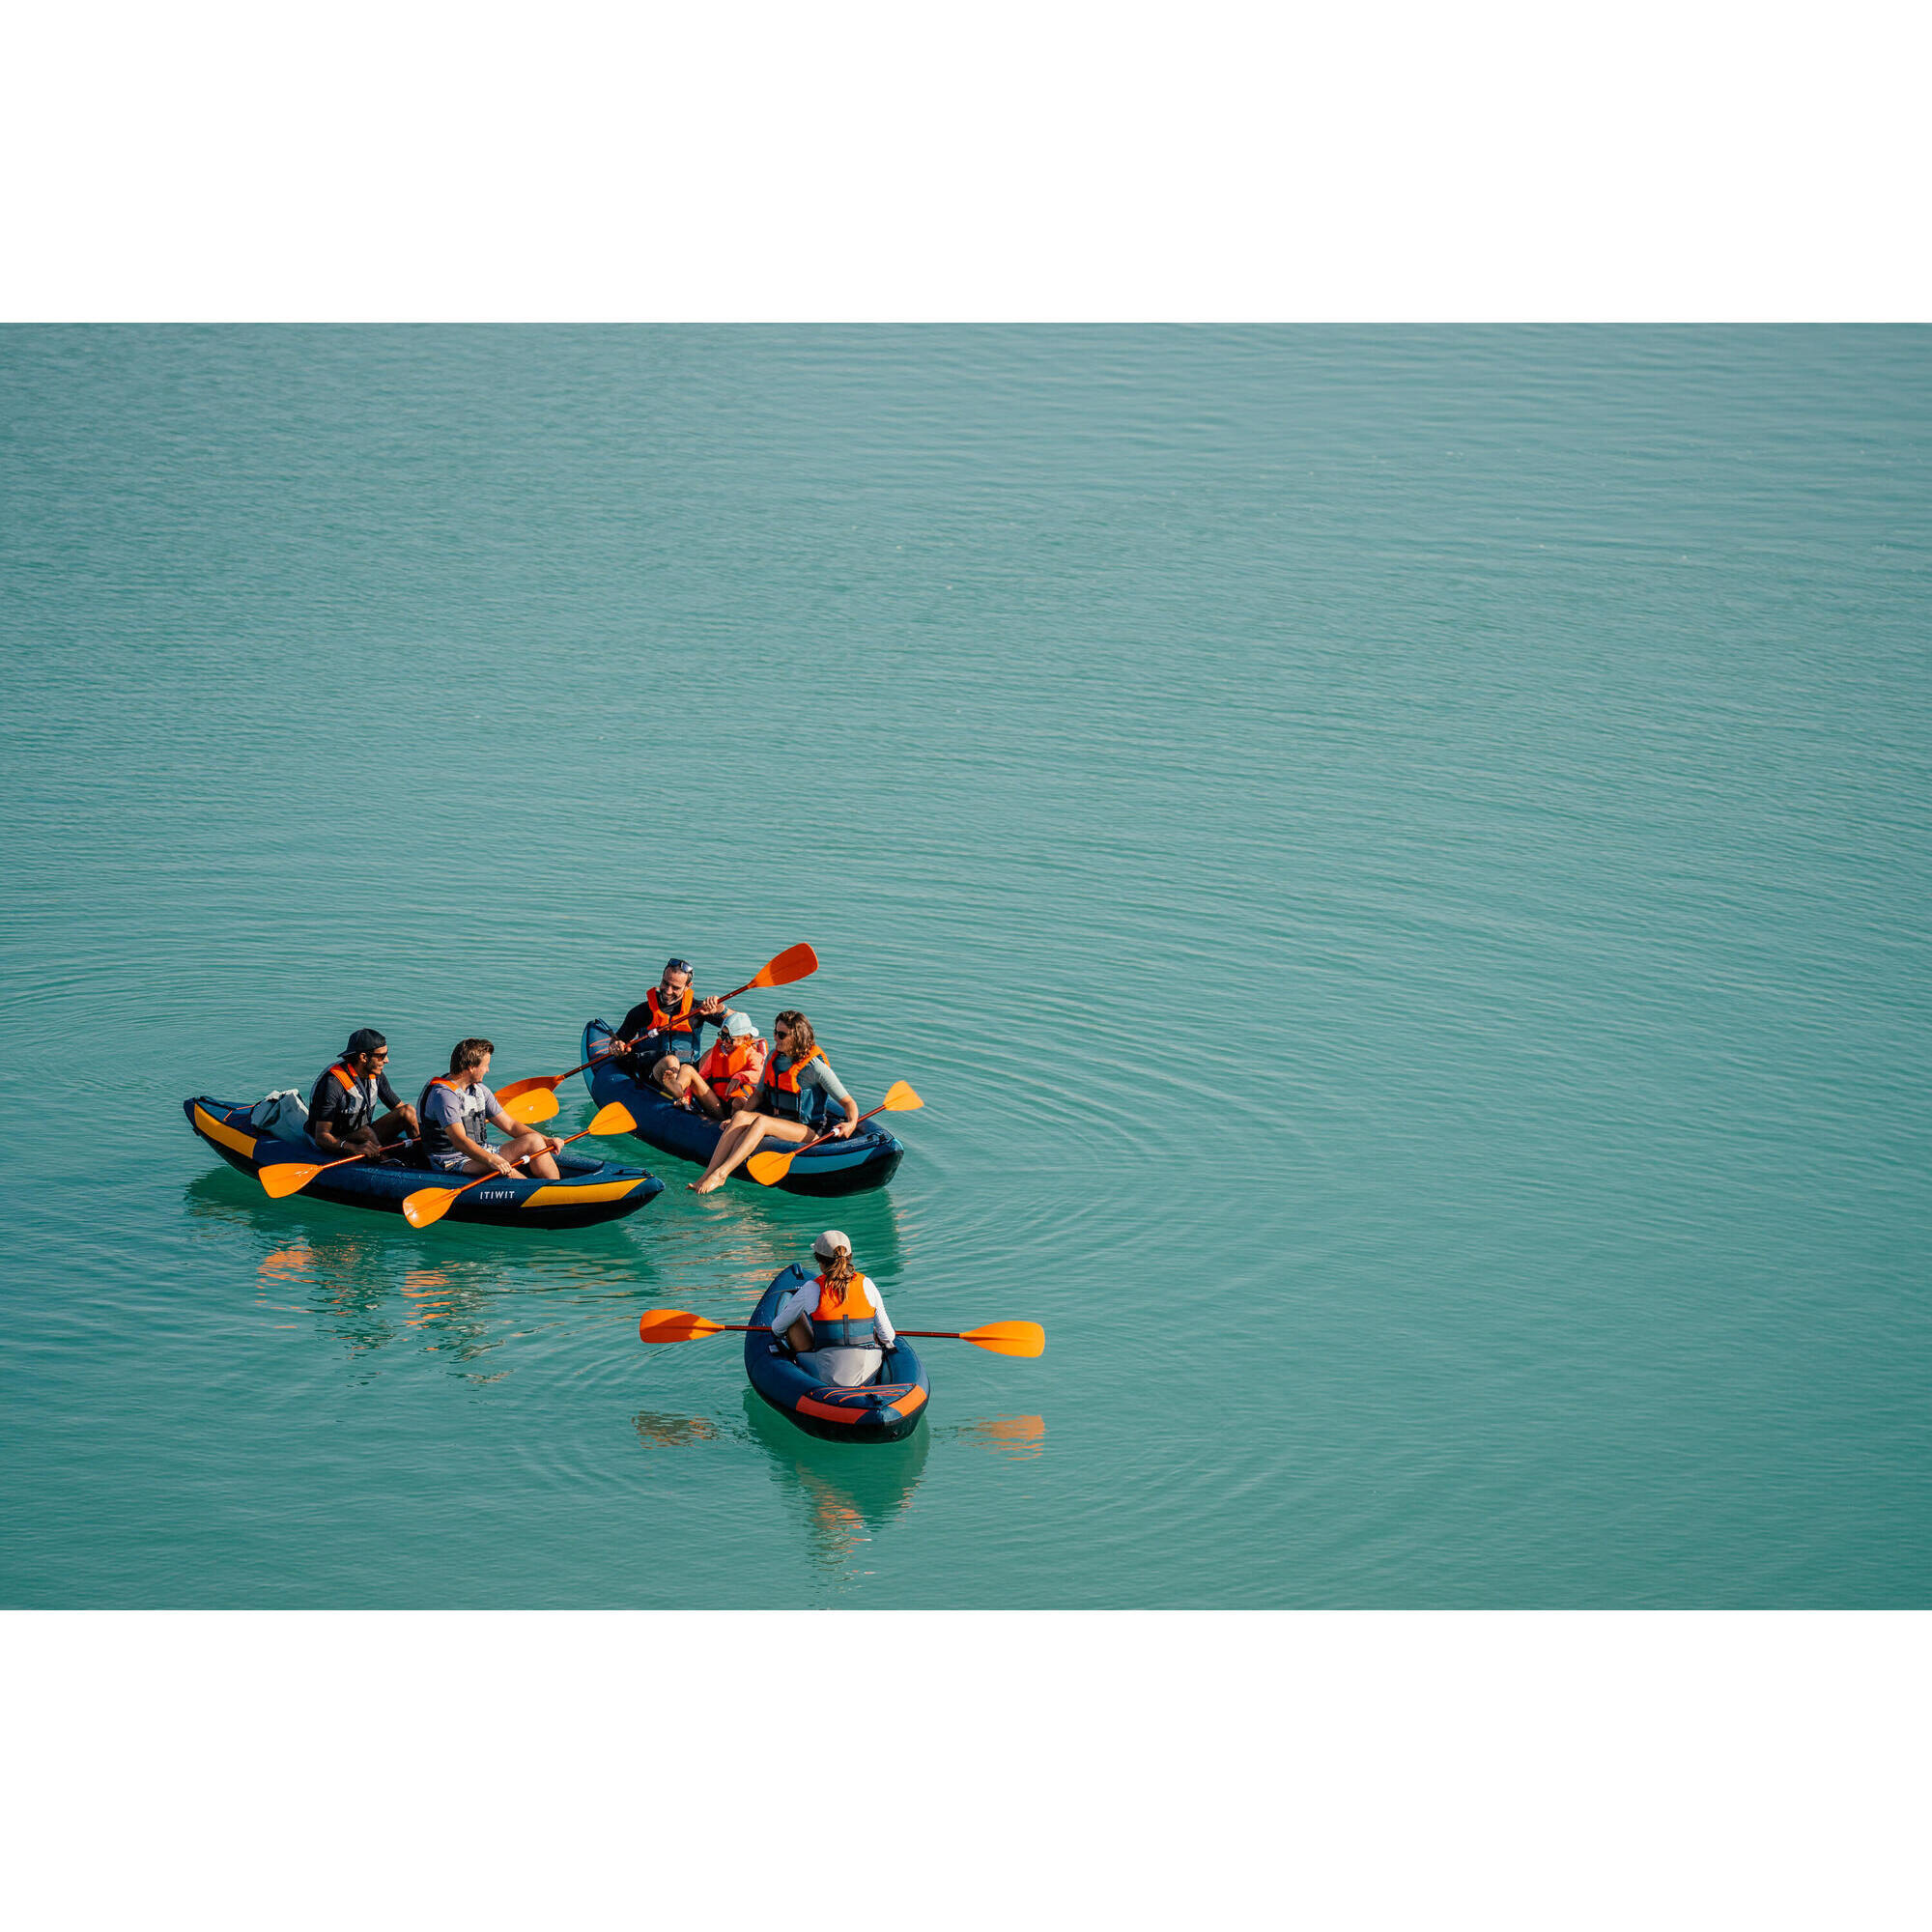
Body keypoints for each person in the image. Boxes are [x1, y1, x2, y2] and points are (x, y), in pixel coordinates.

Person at [688, 1009, 859, 1194]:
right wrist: (738, 1119)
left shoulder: (815, 1067)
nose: (776, 1038)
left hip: (808, 1129)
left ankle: (722, 1174)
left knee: (761, 1121)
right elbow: (758, 1096)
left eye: (782, 1035)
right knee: (741, 1116)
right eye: (775, 1032)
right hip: (780, 1121)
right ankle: (706, 1175)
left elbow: (848, 1102)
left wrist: (851, 1123)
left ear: (797, 1036)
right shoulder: (773, 1058)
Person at [416, 1037, 563, 1180]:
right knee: (506, 1170)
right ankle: (542, 1196)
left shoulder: (479, 1090)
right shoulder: (444, 1097)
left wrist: (547, 1140)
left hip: (482, 1152)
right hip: (453, 1163)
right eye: (485, 1065)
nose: (488, 1070)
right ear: (471, 1067)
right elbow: (459, 1141)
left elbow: (511, 1125)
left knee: (535, 1141)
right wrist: (491, 1160)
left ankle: (556, 1187)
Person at [770, 1231, 897, 1388]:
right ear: (849, 1258)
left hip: (825, 1375)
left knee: (794, 1316)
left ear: (819, 1261)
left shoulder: (811, 1288)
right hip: (868, 1373)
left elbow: (777, 1328)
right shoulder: (867, 1284)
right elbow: (888, 1336)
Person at [610, 957, 725, 1094]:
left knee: (720, 1048)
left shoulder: (698, 1010)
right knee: (671, 1060)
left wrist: (721, 1010)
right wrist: (616, 1046)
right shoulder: (641, 1012)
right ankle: (676, 1091)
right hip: (654, 1072)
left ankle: (690, 1091)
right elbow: (617, 1041)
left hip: (689, 1071)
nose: (668, 991)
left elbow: (740, 1025)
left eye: (676, 987)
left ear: (688, 986)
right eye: (665, 983)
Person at [305, 1028, 419, 1161]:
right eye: (381, 1056)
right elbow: (321, 1137)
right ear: (363, 1057)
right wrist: (354, 1148)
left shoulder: (376, 1076)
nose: (387, 1060)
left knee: (408, 1112)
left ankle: (426, 1157)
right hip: (333, 1140)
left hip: (362, 1133)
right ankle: (387, 1163)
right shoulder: (332, 1085)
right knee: (365, 1132)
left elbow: (401, 1109)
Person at [661, 1009, 767, 1122]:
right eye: (722, 1036)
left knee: (739, 1102)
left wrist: (740, 1076)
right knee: (687, 1069)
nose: (724, 1042)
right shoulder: (718, 1052)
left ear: (745, 1039)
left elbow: (760, 1074)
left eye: (729, 1039)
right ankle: (679, 1090)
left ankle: (733, 1122)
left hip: (735, 1106)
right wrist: (688, 1096)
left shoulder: (753, 1055)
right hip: (714, 1102)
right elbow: (701, 1076)